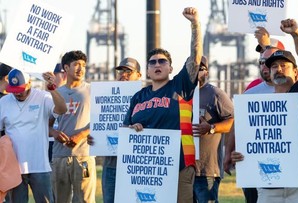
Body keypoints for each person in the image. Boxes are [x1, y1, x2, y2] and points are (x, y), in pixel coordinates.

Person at [231, 19, 298, 203]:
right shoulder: (258, 106)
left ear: (296, 73)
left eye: (284, 65)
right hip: (267, 187)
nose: (278, 69)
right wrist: (240, 155)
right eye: (273, 66)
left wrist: (296, 33)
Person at [122, 7, 202, 203]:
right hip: (148, 169)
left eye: (162, 61)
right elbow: (125, 129)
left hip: (180, 164)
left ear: (170, 68)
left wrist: (195, 25)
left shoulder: (180, 86)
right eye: (153, 63)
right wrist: (133, 129)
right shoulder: (139, 96)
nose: (157, 65)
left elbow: (195, 58)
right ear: (148, 70)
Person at [224, 27, 283, 203]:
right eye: (261, 62)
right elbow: (240, 123)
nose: (264, 66)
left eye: (270, 62)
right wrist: (229, 152)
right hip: (252, 164)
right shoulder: (252, 90)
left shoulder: (294, 87)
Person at [0, 68, 67, 203]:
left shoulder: (42, 97)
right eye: (14, 90)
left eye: (20, 89)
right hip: (14, 169)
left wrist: (52, 89)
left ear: (29, 83)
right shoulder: (4, 102)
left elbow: (62, 109)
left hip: (40, 166)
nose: (17, 94)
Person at [50, 50, 96, 203]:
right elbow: (47, 124)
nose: (80, 68)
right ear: (66, 68)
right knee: (60, 200)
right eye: (76, 64)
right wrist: (55, 133)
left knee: (85, 200)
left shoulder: (92, 91)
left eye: (83, 65)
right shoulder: (56, 93)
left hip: (84, 155)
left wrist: (81, 134)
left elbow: (101, 120)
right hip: (59, 156)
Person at [192, 56, 234, 203]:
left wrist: (210, 128)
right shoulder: (180, 95)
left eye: (201, 68)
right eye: (193, 67)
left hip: (207, 170)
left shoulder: (215, 94)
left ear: (207, 72)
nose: (197, 71)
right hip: (184, 170)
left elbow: (232, 122)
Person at [101, 57, 141, 203]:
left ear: (139, 75)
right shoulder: (105, 97)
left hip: (135, 166)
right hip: (111, 164)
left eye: (128, 72)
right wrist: (94, 138)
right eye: (121, 71)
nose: (123, 75)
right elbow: (99, 127)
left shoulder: (146, 98)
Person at [48, 63, 67, 163]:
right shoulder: (46, 95)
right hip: (50, 142)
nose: (52, 77)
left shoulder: (74, 94)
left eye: (55, 74)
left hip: (68, 141)